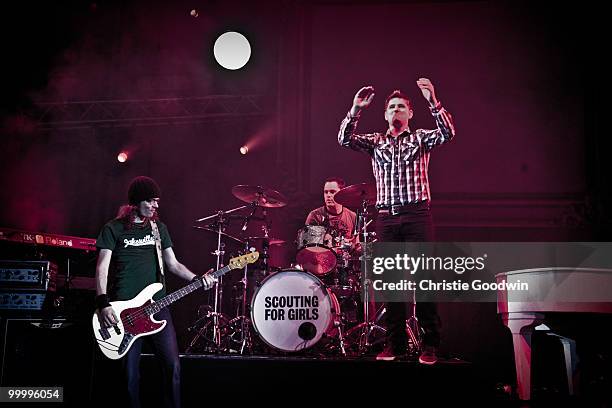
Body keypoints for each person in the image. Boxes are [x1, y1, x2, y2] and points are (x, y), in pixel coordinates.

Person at [338, 78, 456, 363]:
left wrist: (433, 101)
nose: (395, 111)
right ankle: (396, 344)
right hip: (387, 218)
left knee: (424, 280)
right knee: (391, 283)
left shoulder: (420, 138)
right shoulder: (376, 141)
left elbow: (448, 133)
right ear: (385, 114)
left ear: (409, 114)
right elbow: (344, 139)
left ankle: (430, 345)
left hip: (416, 215)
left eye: (401, 107)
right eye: (391, 107)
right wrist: (355, 109)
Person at [95, 176, 215, 407]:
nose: (156, 206)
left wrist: (198, 279)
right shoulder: (113, 228)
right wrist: (103, 302)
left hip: (157, 307)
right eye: (150, 201)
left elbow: (173, 264)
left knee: (172, 367)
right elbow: (102, 267)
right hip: (124, 311)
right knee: (129, 376)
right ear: (136, 202)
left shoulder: (158, 229)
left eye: (157, 201)